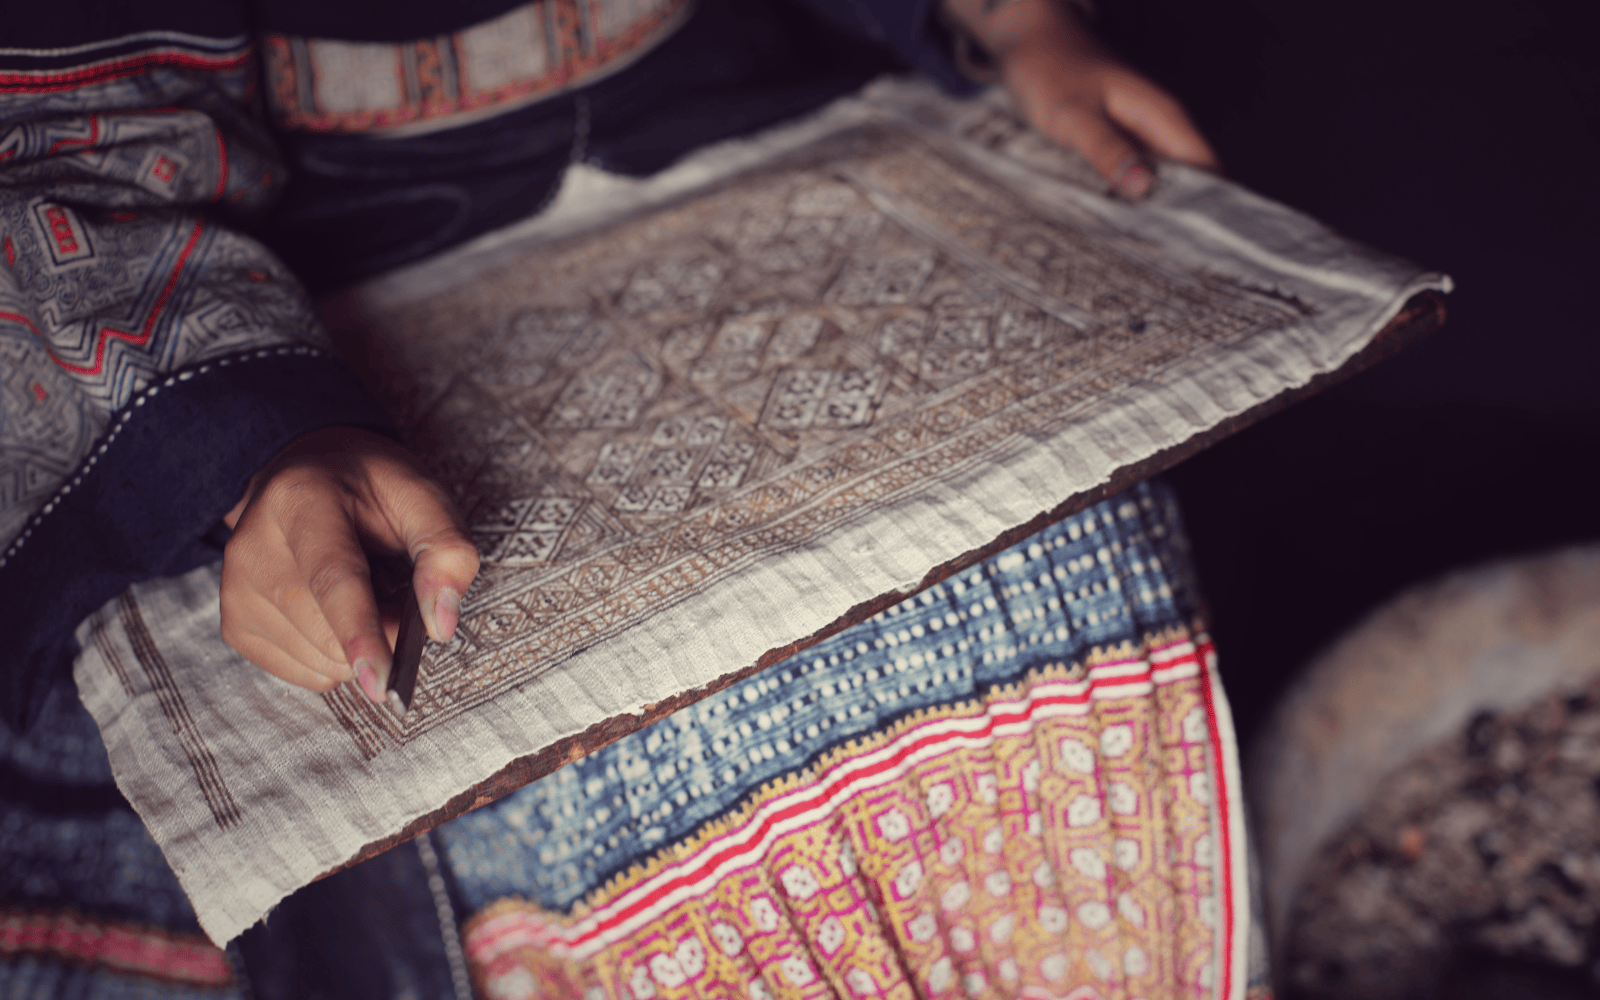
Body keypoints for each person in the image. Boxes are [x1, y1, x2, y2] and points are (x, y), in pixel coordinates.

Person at [1, 1, 1252, 997]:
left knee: (1060, 533)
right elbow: (69, 146)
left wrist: (1015, 20)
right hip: (307, 277)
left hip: (763, 115)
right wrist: (257, 450)